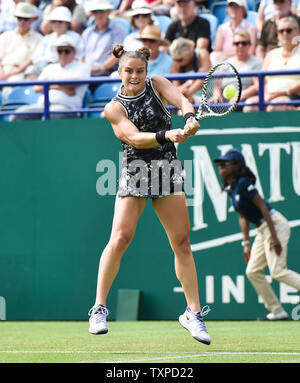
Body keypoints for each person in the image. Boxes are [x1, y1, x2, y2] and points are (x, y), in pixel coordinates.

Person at [88, 44, 211, 345]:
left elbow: (181, 99)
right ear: (119, 72)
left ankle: (193, 314)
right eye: (128, 71)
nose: (134, 76)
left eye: (139, 71)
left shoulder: (157, 84)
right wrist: (167, 134)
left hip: (167, 169)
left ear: (146, 70)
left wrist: (190, 115)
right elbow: (132, 137)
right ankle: (99, 308)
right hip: (136, 172)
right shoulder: (113, 108)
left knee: (181, 241)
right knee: (120, 239)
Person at [214, 148, 300, 321]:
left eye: (225, 164)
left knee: (277, 271)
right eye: (219, 164)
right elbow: (242, 217)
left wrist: (274, 237)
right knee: (252, 271)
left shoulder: (244, 183)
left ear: (237, 166)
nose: (221, 167)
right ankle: (277, 311)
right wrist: (245, 244)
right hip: (262, 230)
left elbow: (263, 207)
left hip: (275, 225)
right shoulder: (232, 188)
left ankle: (277, 311)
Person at [10, 34, 90, 120]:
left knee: (53, 114)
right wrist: (62, 88)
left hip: (68, 107)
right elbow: (37, 88)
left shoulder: (82, 67)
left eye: (67, 51)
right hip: (43, 105)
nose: (63, 54)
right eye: (60, 51)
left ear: (74, 52)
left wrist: (49, 84)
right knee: (19, 114)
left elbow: (74, 83)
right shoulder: (50, 68)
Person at [244, 17, 300, 112]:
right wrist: (266, 95)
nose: (285, 34)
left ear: (298, 32)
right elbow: (263, 80)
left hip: (293, 96)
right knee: (250, 105)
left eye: (289, 30)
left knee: (276, 106)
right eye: (281, 31)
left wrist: (284, 92)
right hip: (270, 96)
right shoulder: (271, 54)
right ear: (277, 34)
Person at [0, 2, 42, 100]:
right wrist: (1, 73)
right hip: (4, 71)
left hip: (20, 74)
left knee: (11, 88)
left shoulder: (38, 39)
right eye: (19, 18)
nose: (22, 21)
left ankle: (7, 112)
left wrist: (8, 75)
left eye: (25, 19)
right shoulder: (5, 36)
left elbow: (31, 61)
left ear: (32, 20)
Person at [31, 6, 83, 75]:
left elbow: (79, 58)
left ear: (67, 23)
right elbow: (36, 59)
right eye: (53, 21)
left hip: (68, 72)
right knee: (30, 70)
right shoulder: (47, 38)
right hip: (45, 70)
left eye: (60, 21)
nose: (56, 24)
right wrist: (49, 63)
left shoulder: (76, 38)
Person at [81, 0, 127, 78]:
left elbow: (117, 56)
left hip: (106, 75)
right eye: (95, 11)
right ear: (92, 14)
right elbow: (80, 56)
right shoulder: (87, 32)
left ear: (108, 11)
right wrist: (85, 69)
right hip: (85, 75)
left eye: (102, 10)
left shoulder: (118, 30)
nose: (99, 14)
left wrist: (98, 68)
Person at [210, 0, 257, 66]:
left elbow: (251, 52)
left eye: (237, 7)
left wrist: (229, 55)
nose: (234, 9)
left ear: (243, 10)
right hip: (225, 63)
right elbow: (216, 52)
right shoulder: (222, 28)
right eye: (231, 6)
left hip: (245, 63)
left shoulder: (251, 28)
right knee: (213, 56)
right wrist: (236, 54)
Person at [169, 37, 210, 104]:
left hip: (206, 97)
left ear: (189, 54)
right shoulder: (175, 63)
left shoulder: (202, 54)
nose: (176, 62)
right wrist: (189, 83)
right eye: (174, 59)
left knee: (186, 101)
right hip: (186, 98)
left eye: (180, 60)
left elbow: (202, 80)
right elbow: (176, 87)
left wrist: (187, 92)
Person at [226, 30, 262, 108]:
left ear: (249, 45)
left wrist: (238, 97)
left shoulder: (256, 63)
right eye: (237, 43)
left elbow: (257, 86)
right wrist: (216, 95)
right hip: (224, 103)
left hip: (243, 102)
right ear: (233, 45)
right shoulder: (226, 63)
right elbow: (217, 85)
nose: (240, 46)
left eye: (244, 43)